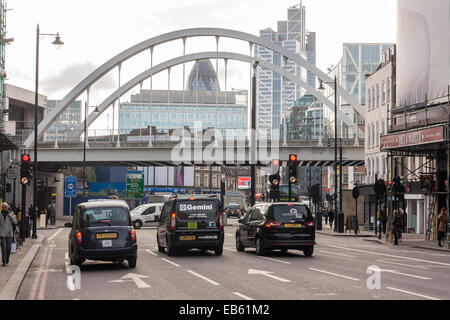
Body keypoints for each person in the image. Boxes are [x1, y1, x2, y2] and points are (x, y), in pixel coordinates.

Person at [0, 202, 18, 266]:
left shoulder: (11, 213)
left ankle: (7, 259)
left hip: (9, 234)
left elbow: (16, 222)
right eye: (4, 207)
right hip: (2, 234)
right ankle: (4, 261)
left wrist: (11, 217)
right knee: (3, 248)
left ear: (8, 207)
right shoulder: (0, 214)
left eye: (6, 207)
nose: (5, 208)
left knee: (8, 248)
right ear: (2, 207)